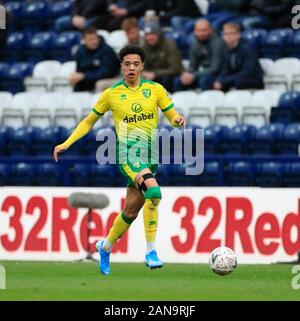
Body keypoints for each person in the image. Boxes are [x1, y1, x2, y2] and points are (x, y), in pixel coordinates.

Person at [53, 45, 186, 275]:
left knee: (131, 212)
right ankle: (151, 251)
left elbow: (172, 115)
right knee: (154, 193)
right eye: (127, 64)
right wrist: (67, 143)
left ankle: (104, 247)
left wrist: (177, 120)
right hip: (128, 154)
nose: (132, 67)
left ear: (142, 65)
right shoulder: (112, 93)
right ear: (122, 66)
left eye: (136, 63)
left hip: (150, 156)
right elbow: (88, 122)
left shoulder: (156, 89)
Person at [173, 19, 224, 92]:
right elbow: (192, 67)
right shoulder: (195, 44)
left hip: (218, 75)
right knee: (178, 81)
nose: (201, 33)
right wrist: (187, 75)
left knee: (204, 81)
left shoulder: (218, 43)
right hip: (202, 74)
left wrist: (194, 75)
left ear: (210, 30)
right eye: (198, 31)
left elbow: (215, 68)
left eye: (204, 30)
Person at [214, 22, 264, 92]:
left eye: (231, 33)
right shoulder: (226, 49)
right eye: (226, 34)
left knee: (239, 81)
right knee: (215, 83)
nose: (228, 36)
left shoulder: (247, 48)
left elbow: (247, 72)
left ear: (238, 35)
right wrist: (219, 80)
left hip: (253, 79)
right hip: (236, 78)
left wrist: (225, 81)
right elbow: (225, 70)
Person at [70, 28, 120, 92]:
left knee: (99, 84)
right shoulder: (80, 51)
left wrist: (84, 76)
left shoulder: (107, 50)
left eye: (96, 39)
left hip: (108, 78)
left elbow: (107, 72)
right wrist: (77, 77)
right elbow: (79, 70)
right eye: (90, 40)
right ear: (84, 40)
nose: (94, 41)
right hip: (88, 79)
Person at [142, 20, 184, 93]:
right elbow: (141, 66)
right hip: (152, 76)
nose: (150, 37)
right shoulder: (144, 46)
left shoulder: (170, 45)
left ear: (159, 34)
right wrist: (143, 72)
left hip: (169, 76)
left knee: (167, 79)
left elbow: (175, 69)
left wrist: (155, 73)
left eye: (153, 34)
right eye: (148, 35)